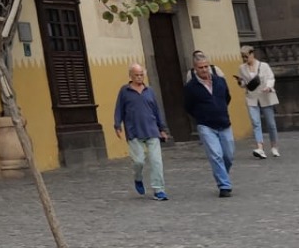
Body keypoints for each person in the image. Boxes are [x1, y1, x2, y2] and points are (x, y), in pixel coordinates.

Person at [113, 63, 171, 199]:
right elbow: (119, 109)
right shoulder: (125, 91)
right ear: (130, 76)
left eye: (141, 75)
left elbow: (156, 111)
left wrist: (162, 129)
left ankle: (159, 190)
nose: (139, 77)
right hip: (134, 131)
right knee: (138, 161)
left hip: (152, 130)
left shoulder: (149, 91)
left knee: (156, 162)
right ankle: (138, 178)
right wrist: (117, 125)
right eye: (136, 75)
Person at [183, 50, 236, 196]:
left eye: (206, 66)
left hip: (224, 123)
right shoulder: (191, 87)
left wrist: (220, 109)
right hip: (206, 125)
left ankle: (222, 174)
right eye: (201, 67)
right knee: (216, 155)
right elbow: (188, 106)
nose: (204, 70)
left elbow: (227, 97)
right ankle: (224, 186)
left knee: (229, 155)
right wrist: (201, 116)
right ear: (195, 69)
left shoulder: (220, 81)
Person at [238, 47, 280, 158]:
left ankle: (274, 146)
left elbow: (271, 78)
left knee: (271, 124)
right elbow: (244, 84)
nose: (244, 59)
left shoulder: (264, 66)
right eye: (243, 57)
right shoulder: (242, 68)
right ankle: (260, 148)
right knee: (256, 123)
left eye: (246, 56)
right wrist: (240, 82)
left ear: (252, 54)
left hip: (265, 96)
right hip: (252, 97)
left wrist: (268, 87)